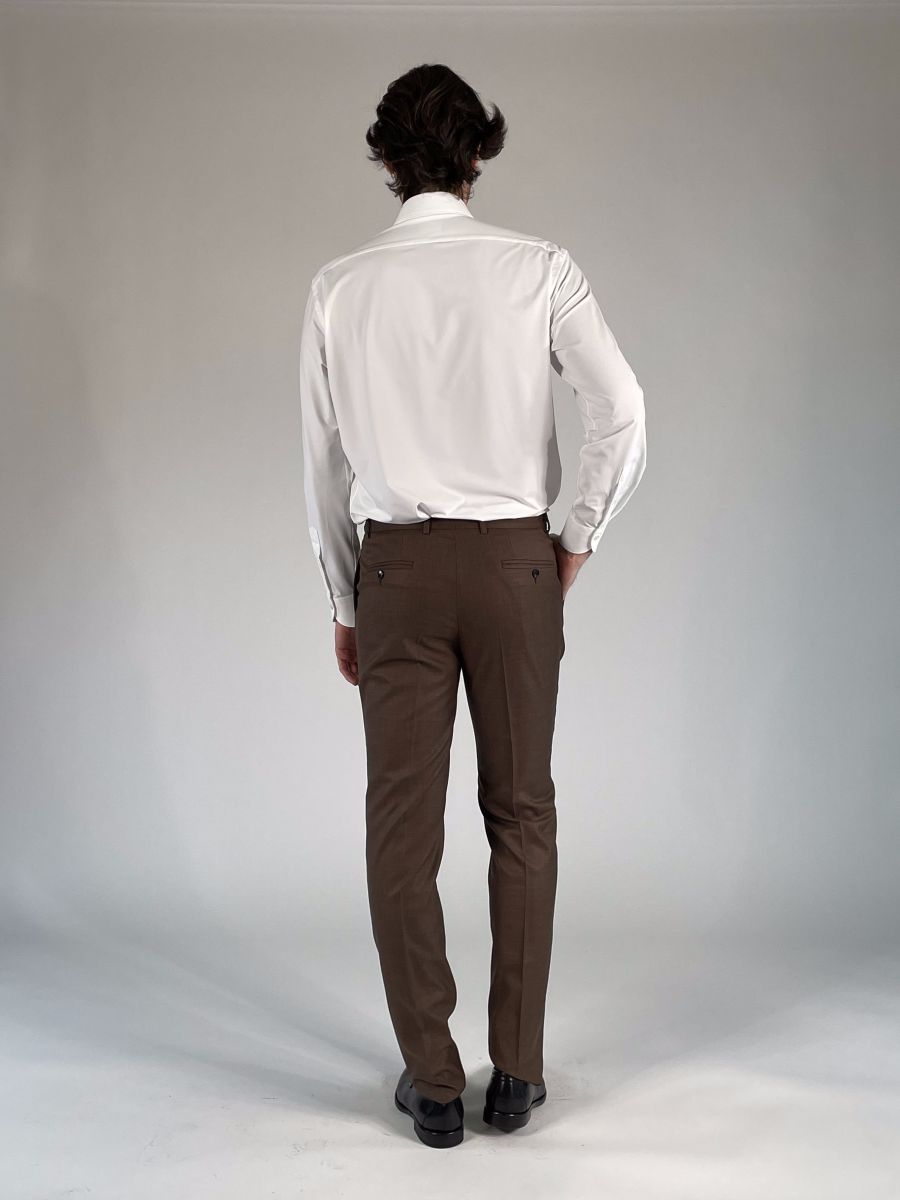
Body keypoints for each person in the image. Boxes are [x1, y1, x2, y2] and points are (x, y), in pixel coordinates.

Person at [298, 63, 647, 1149]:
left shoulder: (340, 285)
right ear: (478, 153)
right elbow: (623, 408)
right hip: (514, 568)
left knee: (401, 829)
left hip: (395, 573)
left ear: (385, 158)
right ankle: (519, 1075)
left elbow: (322, 463)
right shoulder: (539, 267)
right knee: (522, 811)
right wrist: (575, 537)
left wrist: (345, 595)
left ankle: (436, 1085)